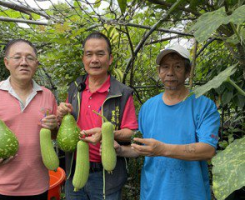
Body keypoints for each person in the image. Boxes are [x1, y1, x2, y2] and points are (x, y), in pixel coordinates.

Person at [115, 44, 220, 200]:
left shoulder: (204, 106)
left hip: (190, 194)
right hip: (153, 194)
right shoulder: (148, 107)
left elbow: (208, 150)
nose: (170, 73)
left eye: (177, 66)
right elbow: (142, 148)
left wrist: (162, 149)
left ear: (187, 71)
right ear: (159, 71)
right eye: (165, 67)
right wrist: (120, 150)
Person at [0, 39, 59, 200]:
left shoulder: (47, 95)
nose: (24, 62)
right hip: (0, 186)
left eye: (30, 58)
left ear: (36, 64)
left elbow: (53, 135)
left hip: (39, 185)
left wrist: (53, 127)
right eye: (17, 57)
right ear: (6, 62)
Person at [57, 31, 138, 200]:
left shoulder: (122, 93)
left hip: (105, 176)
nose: (94, 59)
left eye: (100, 54)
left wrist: (107, 134)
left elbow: (130, 131)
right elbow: (66, 125)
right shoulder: (74, 88)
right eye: (89, 54)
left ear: (110, 59)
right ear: (83, 59)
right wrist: (62, 114)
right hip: (75, 170)